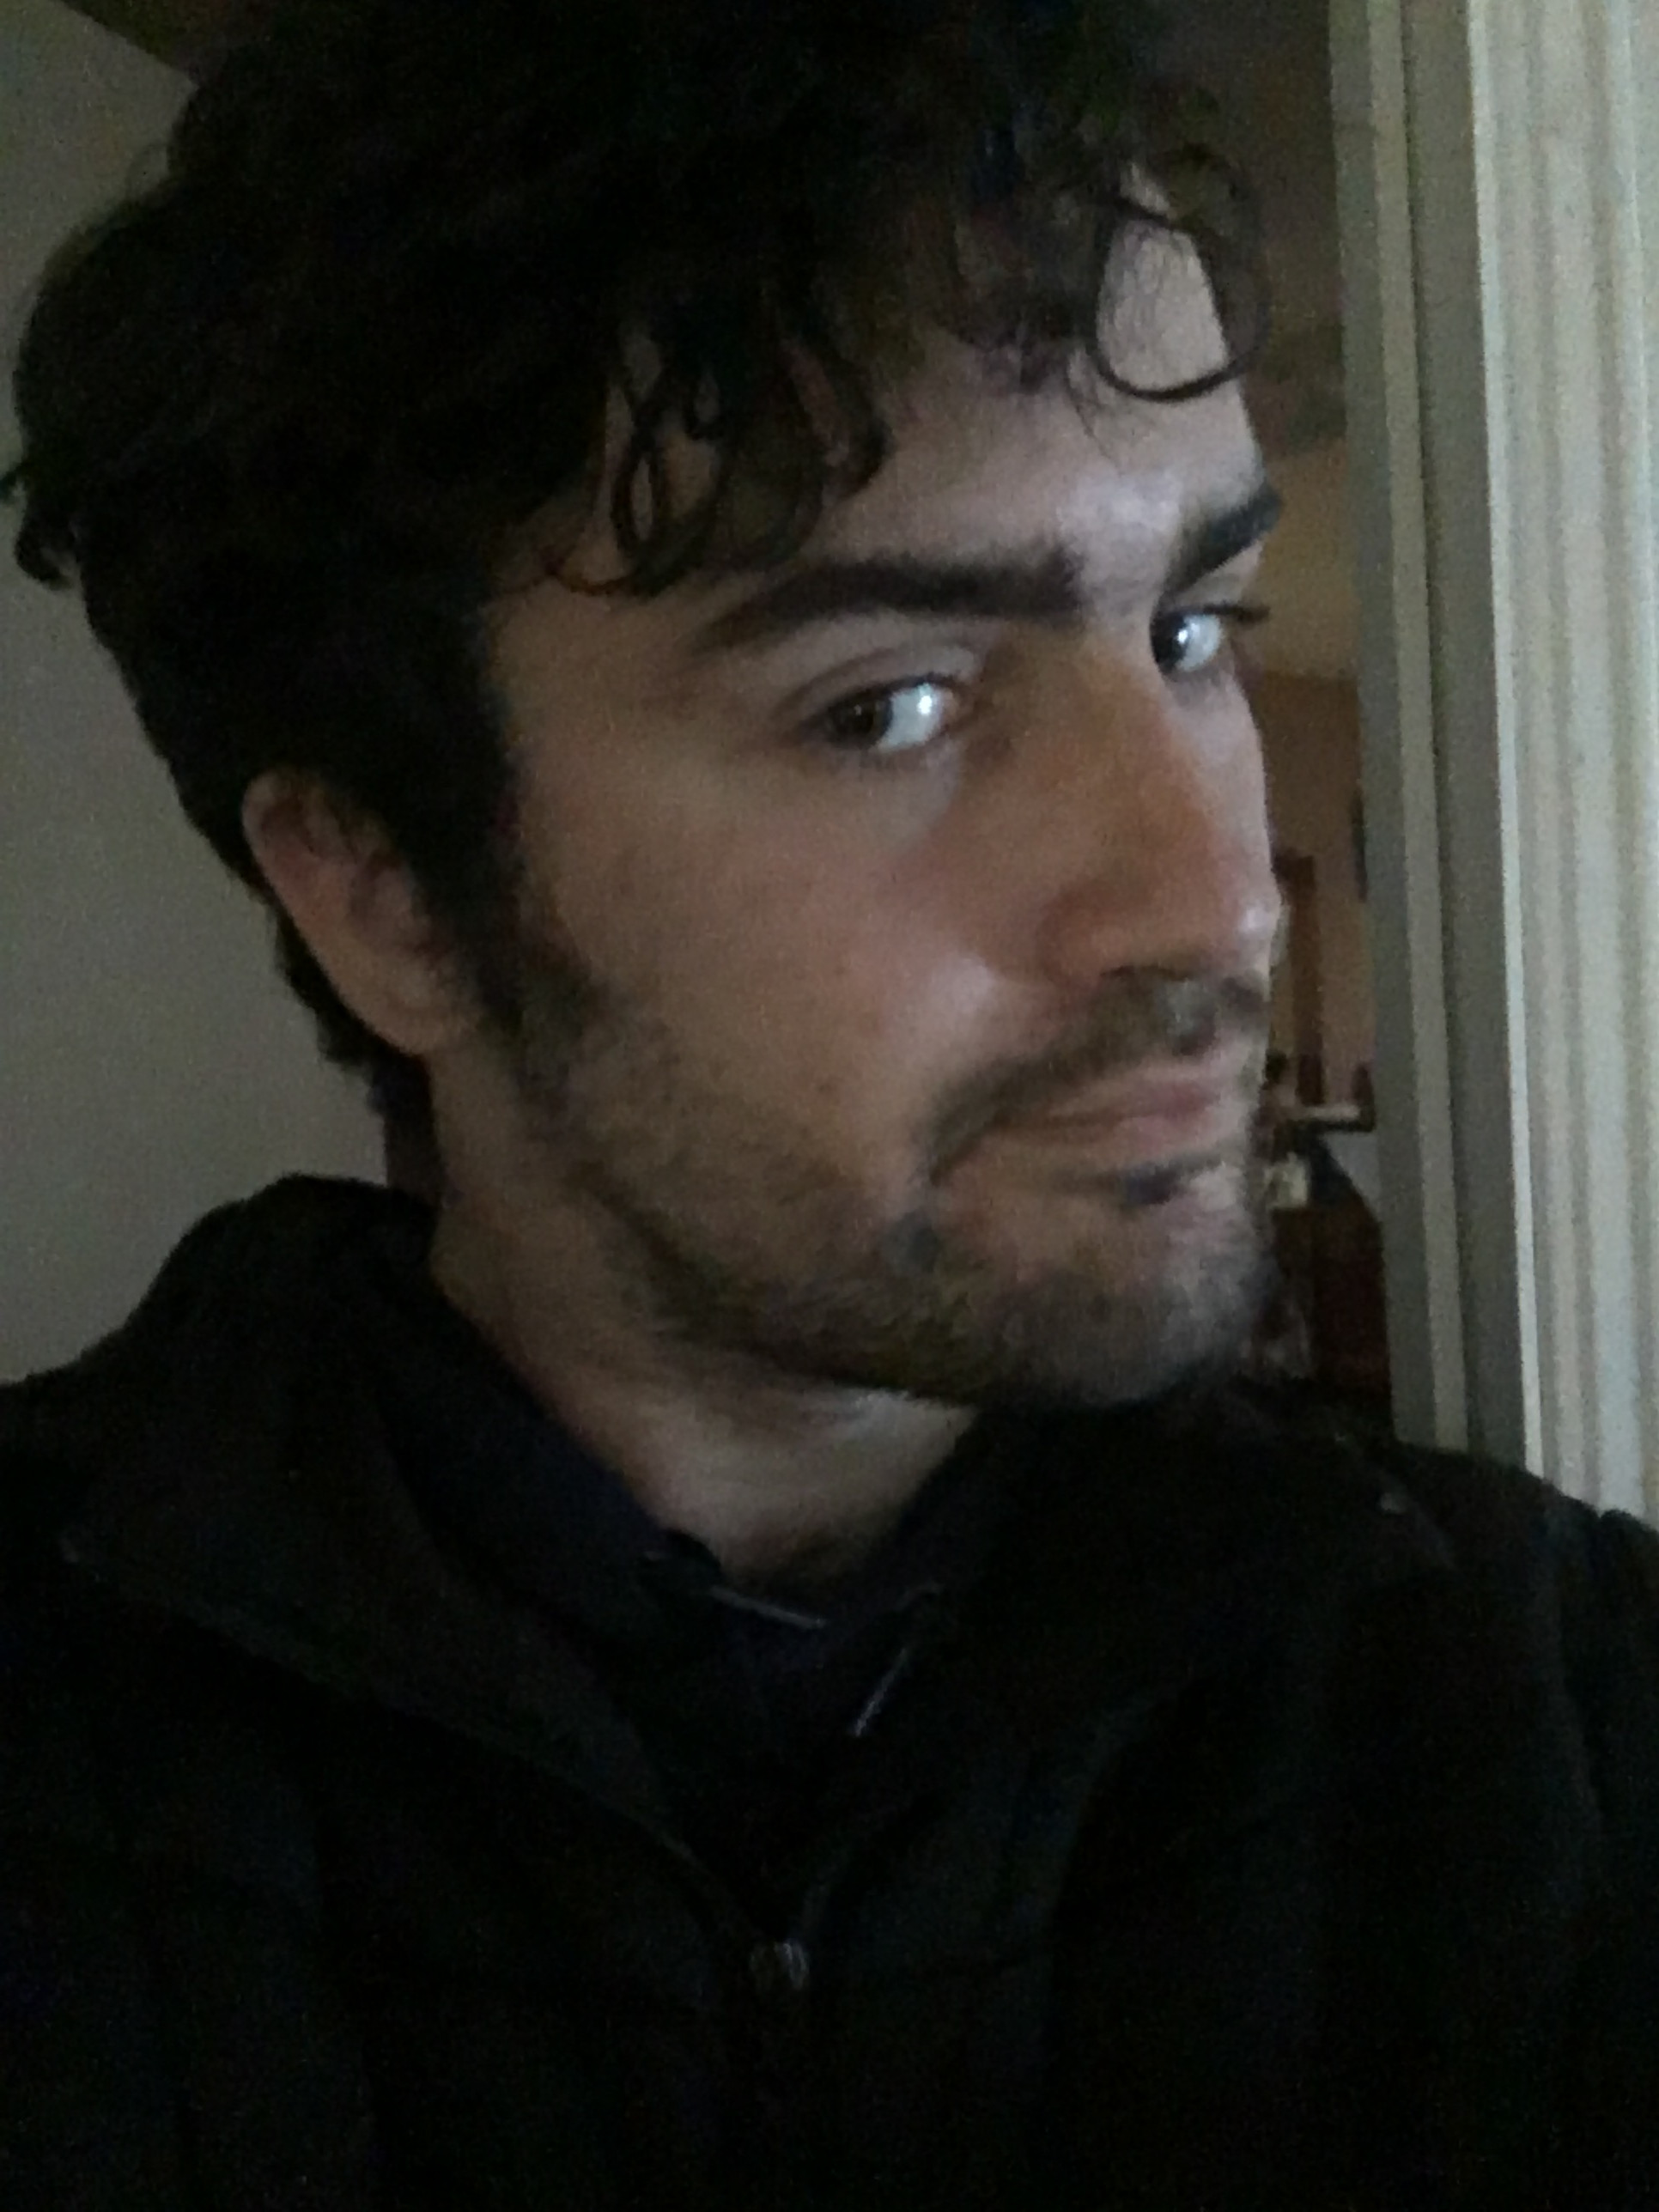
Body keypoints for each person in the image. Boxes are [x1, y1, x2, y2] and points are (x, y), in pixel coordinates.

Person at [3, 3, 1657, 2205]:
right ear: (387, 890)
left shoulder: (1543, 1721)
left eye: (1193, 629)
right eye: (890, 705)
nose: (1217, 903)